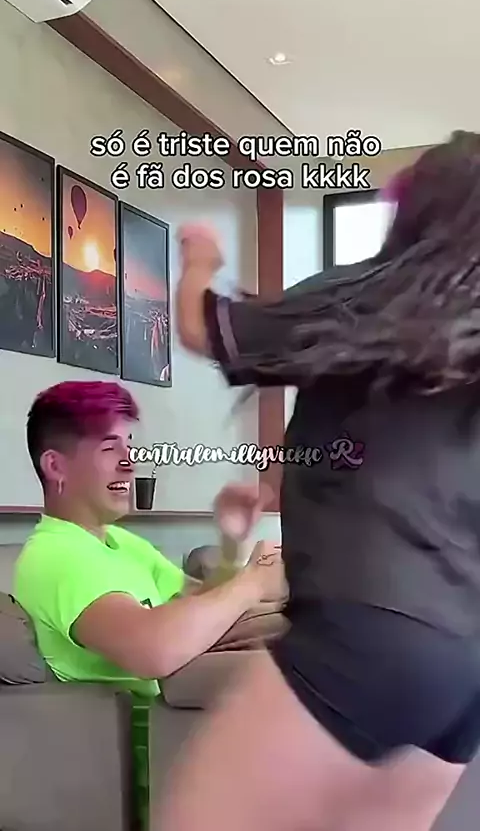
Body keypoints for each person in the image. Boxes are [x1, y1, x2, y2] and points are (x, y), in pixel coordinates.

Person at [155, 130, 480, 831]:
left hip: (370, 628)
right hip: (465, 665)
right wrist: (282, 481)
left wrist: (200, 257)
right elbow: (399, 449)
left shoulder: (374, 291)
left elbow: (202, 328)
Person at [13, 379, 283, 827]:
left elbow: (201, 606)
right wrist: (251, 584)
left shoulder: (122, 543)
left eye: (129, 444)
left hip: (204, 731)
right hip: (163, 757)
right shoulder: (54, 557)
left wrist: (232, 544)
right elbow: (153, 650)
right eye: (109, 448)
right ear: (56, 465)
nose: (129, 461)